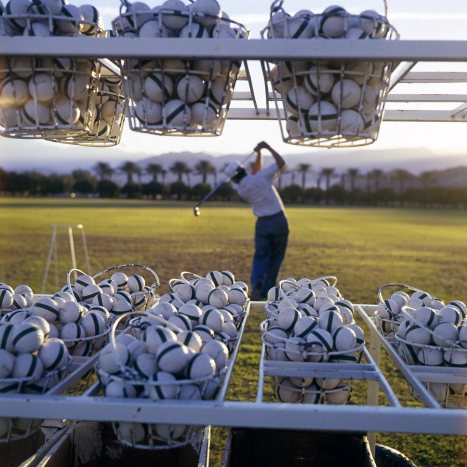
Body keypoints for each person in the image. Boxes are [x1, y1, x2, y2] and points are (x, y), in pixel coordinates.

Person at [224, 141, 289, 301]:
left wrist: (259, 153)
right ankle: (268, 289)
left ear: (233, 179)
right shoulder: (261, 177)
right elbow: (281, 163)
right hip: (279, 220)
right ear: (243, 170)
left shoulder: (241, 190)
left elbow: (256, 173)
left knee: (261, 256)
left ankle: (257, 286)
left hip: (262, 224)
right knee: (276, 257)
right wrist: (267, 147)